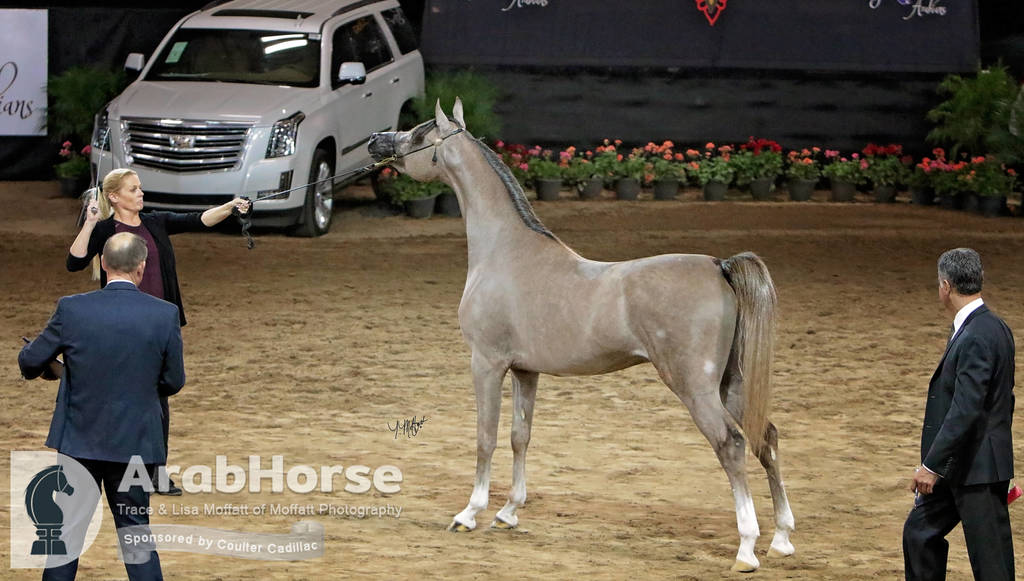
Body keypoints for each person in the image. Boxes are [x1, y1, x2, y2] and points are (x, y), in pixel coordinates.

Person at [67, 168, 248, 496]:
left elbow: (197, 220)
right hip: (119, 324)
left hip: (159, 324)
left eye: (140, 188)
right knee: (122, 397)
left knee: (157, 400)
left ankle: (155, 472)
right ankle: (118, 466)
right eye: (133, 189)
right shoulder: (105, 229)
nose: (141, 194)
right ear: (114, 197)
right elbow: (74, 262)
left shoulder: (155, 223)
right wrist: (91, 221)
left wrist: (230, 207)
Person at [20, 232, 185, 581]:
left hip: (81, 440)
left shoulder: (73, 308)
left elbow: (31, 362)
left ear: (102, 263)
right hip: (136, 442)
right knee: (136, 535)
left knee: (66, 537)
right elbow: (173, 381)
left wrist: (59, 370)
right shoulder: (164, 314)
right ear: (141, 267)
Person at [903, 247, 1016, 581]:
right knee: (919, 532)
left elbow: (966, 408)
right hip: (962, 465)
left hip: (976, 470)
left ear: (945, 286)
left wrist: (931, 466)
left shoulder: (978, 334)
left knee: (991, 563)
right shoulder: (991, 327)